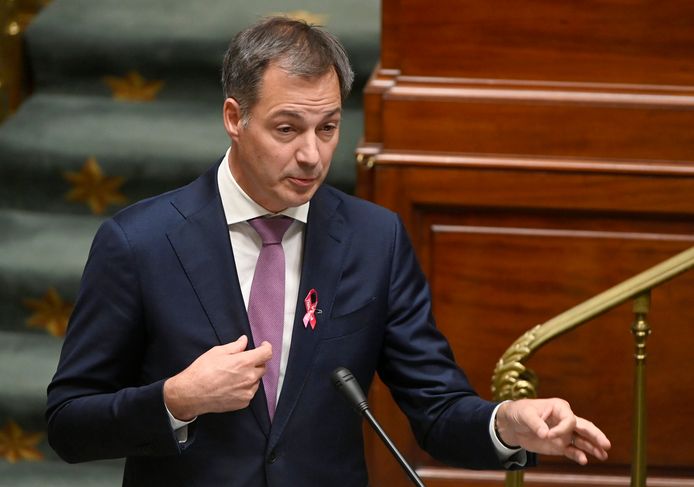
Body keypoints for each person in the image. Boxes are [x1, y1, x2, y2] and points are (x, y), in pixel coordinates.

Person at [46, 17, 610, 487]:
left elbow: (435, 408)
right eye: (287, 128)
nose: (312, 155)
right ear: (234, 119)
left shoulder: (375, 240)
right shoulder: (139, 242)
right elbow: (69, 423)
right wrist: (175, 399)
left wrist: (508, 423)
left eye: (329, 127)